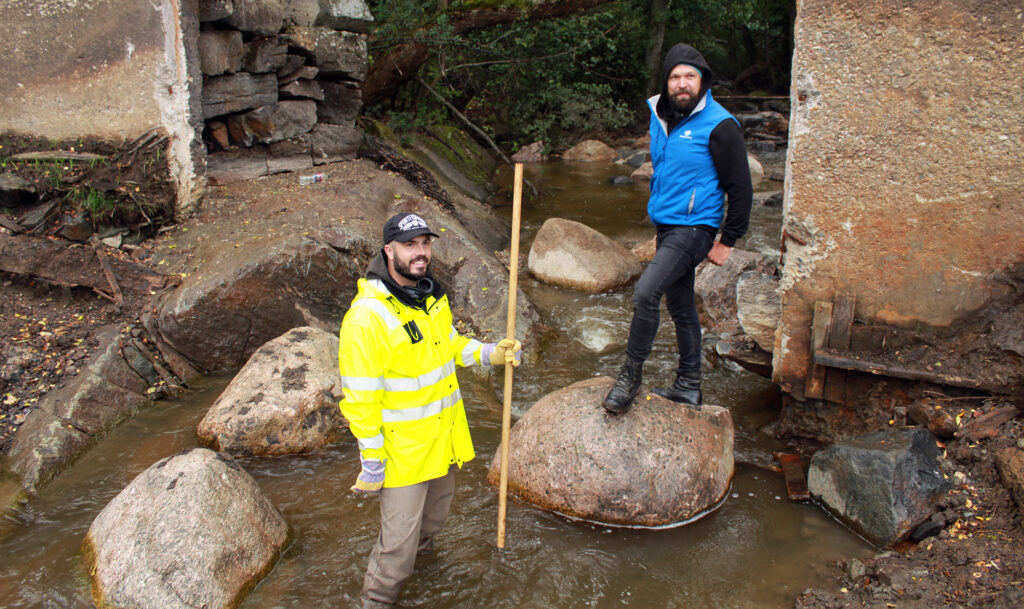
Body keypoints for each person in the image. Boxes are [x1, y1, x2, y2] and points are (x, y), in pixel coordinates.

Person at [338, 211, 522, 606]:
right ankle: (377, 600)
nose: (421, 253)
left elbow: (449, 347)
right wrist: (372, 460)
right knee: (395, 555)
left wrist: (489, 354)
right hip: (402, 457)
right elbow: (360, 399)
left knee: (432, 524)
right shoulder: (367, 317)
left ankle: (425, 580)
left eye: (425, 243)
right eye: (410, 245)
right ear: (389, 250)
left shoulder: (429, 294)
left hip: (440, 443)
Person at [603, 43, 752, 414]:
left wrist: (727, 240)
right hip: (668, 227)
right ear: (666, 82)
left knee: (645, 292)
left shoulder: (720, 125)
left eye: (690, 76)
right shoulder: (659, 114)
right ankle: (689, 385)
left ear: (702, 82)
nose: (682, 84)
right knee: (682, 307)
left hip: (696, 228)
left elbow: (741, 186)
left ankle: (630, 377)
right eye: (675, 76)